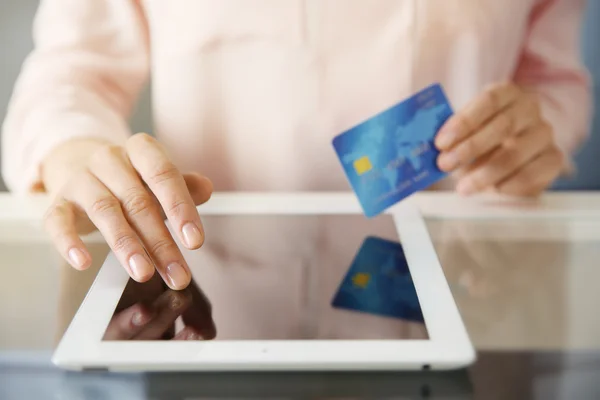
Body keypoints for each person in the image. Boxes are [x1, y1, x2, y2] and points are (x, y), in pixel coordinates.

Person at [1, 1, 591, 290]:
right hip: (213, 300)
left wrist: (535, 128)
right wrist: (75, 152)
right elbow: (72, 73)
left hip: (465, 283)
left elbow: (553, 80)